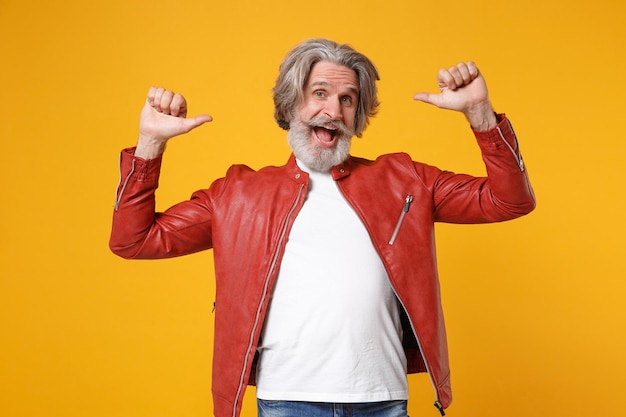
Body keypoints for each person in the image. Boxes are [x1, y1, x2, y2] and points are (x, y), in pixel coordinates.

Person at [109, 38, 535, 417]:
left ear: (358, 114)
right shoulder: (238, 193)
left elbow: (509, 200)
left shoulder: (405, 180)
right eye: (319, 93)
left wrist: (480, 113)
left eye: (349, 99)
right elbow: (134, 240)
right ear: (291, 104)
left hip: (382, 400)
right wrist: (150, 144)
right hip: (286, 401)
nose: (333, 110)